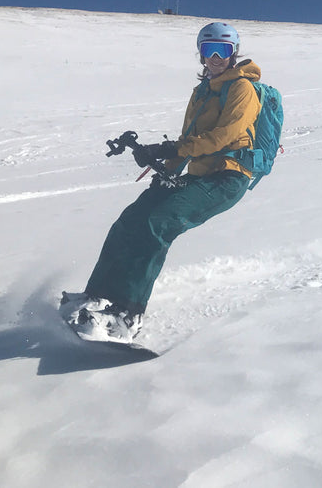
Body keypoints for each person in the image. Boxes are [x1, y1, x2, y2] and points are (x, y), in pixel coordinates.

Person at [60, 22, 262, 343]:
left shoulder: (242, 89)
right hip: (200, 174)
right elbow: (189, 139)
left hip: (229, 175)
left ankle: (127, 315)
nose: (214, 58)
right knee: (131, 219)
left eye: (222, 51)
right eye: (207, 50)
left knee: (157, 223)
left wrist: (171, 149)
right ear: (199, 54)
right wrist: (167, 168)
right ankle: (98, 297)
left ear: (233, 52)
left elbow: (226, 136)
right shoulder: (201, 92)